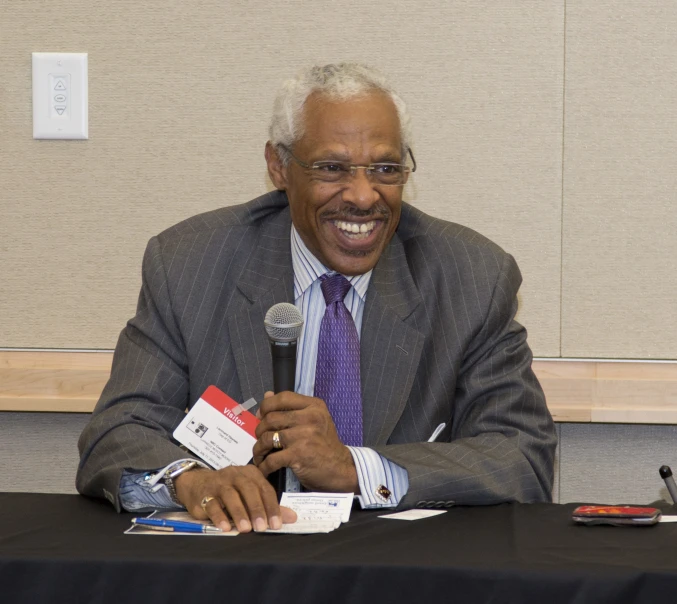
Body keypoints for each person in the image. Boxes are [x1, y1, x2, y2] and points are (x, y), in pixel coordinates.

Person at [77, 63, 557, 534]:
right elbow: (117, 432)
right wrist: (192, 480)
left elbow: (521, 456)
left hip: (399, 571)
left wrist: (355, 469)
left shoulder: (471, 276)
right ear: (278, 167)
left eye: (385, 169)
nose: (365, 196)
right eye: (333, 168)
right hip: (236, 570)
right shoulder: (189, 263)